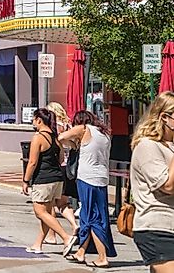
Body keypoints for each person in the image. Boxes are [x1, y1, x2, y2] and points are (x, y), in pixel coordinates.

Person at [58, 110, 116, 266]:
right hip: (102, 178)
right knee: (92, 214)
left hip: (87, 178)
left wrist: (70, 137)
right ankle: (81, 252)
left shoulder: (83, 128)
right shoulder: (104, 134)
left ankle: (102, 257)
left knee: (91, 217)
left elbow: (61, 138)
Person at [22, 108, 77, 256]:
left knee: (40, 212)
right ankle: (38, 244)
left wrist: (26, 180)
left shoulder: (38, 137)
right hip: (57, 178)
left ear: (39, 120)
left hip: (43, 179)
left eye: (34, 119)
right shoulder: (55, 137)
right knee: (46, 213)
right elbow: (60, 159)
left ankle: (66, 237)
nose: (33, 122)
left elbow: (32, 162)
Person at [130, 91, 174, 272]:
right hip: (157, 227)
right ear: (164, 117)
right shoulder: (147, 146)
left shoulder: (170, 146)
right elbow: (168, 185)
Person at [45, 102, 79, 245]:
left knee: (51, 203)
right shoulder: (69, 126)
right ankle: (74, 224)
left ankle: (52, 235)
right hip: (69, 167)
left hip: (57, 167)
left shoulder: (54, 128)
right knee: (64, 202)